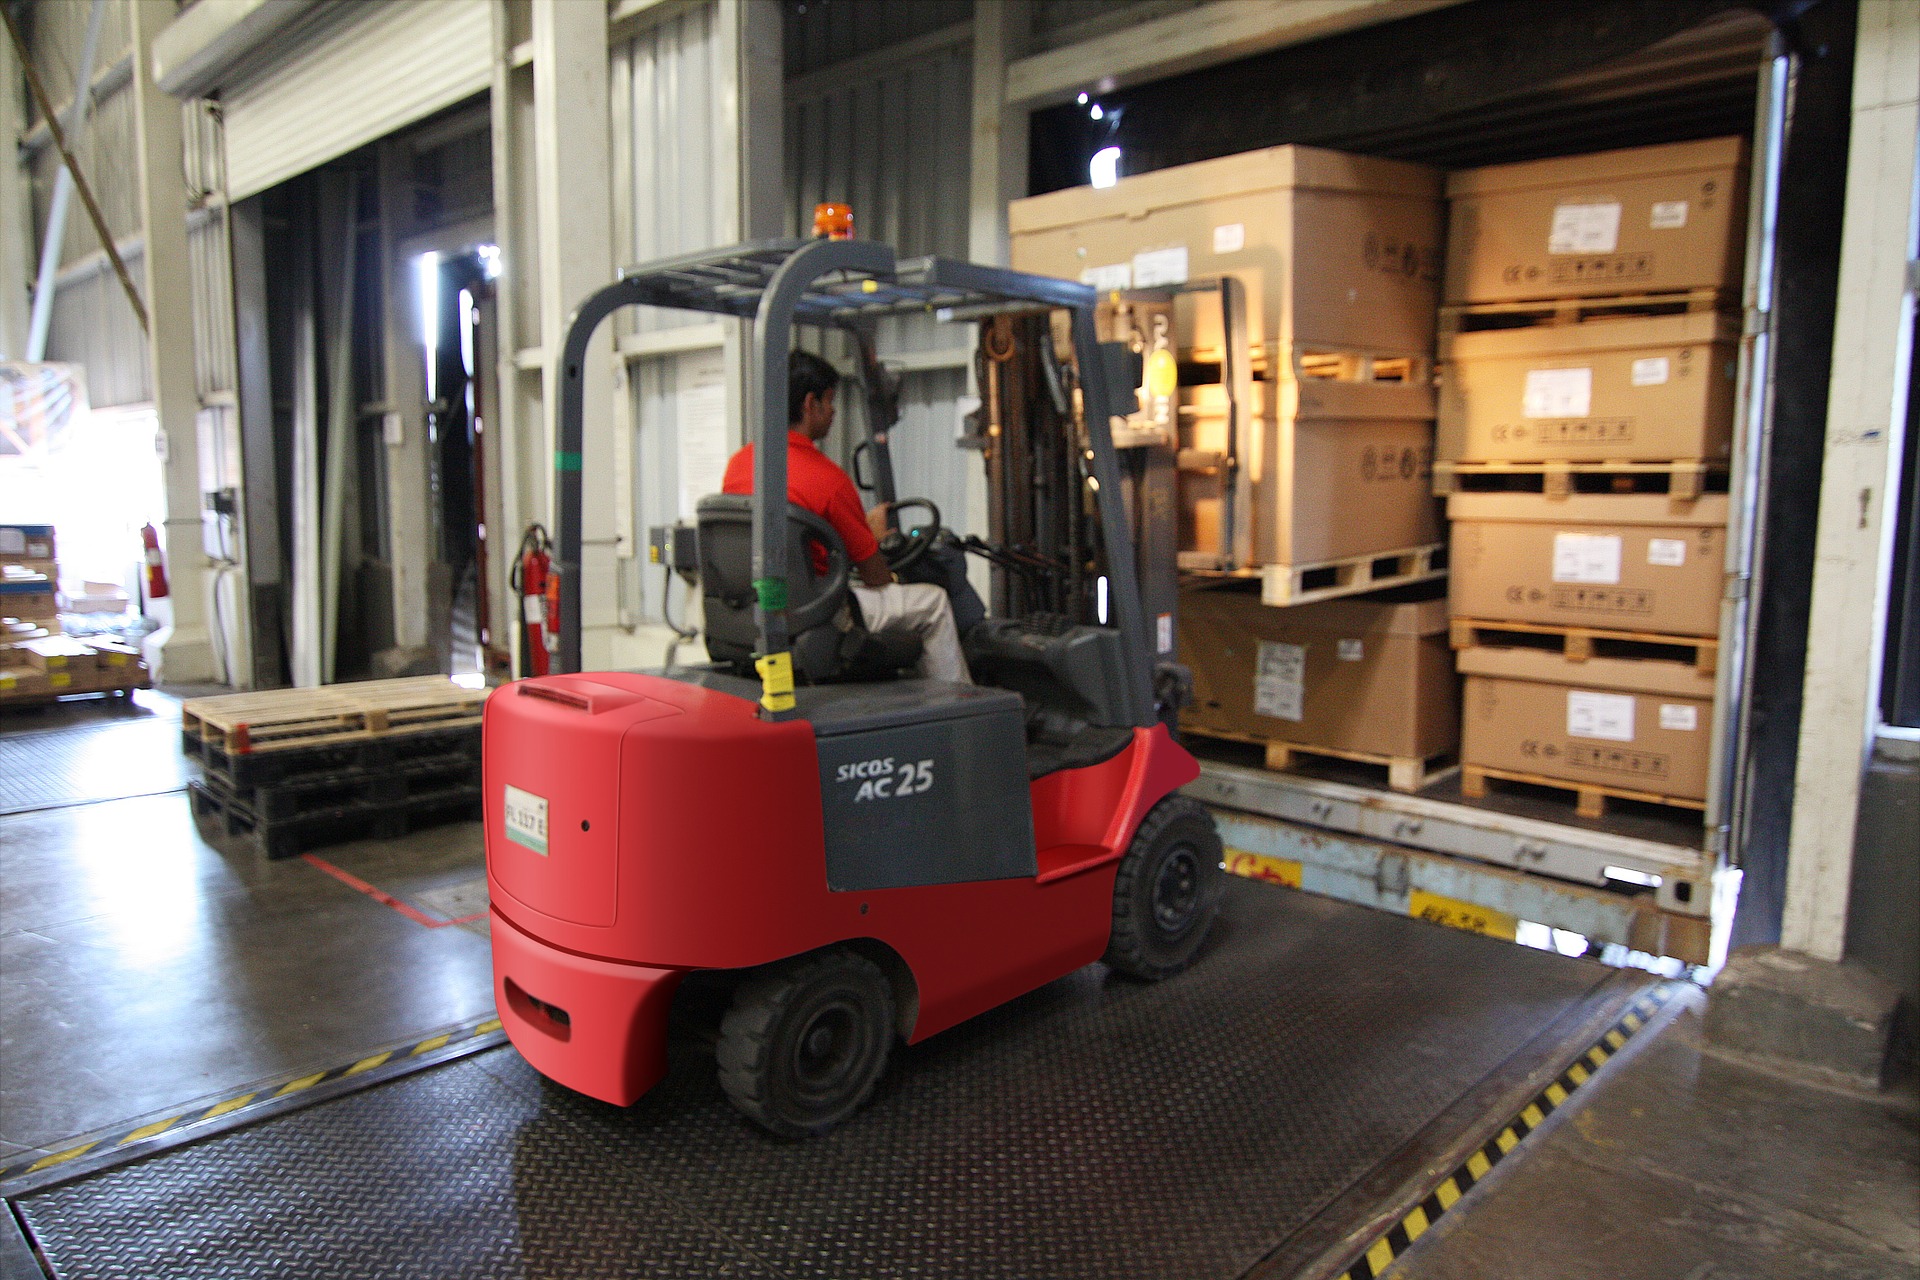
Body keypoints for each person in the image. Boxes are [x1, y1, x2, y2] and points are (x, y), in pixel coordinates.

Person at [721, 350, 972, 684]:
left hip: (763, 605)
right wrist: (877, 540)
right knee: (934, 601)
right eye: (830, 400)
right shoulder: (828, 479)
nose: (834, 411)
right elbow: (875, 577)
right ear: (811, 404)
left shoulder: (739, 464)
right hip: (821, 614)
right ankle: (960, 709)